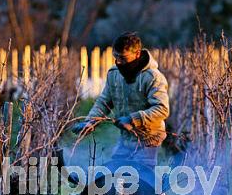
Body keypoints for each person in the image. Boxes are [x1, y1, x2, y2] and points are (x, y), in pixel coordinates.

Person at [71, 32, 169, 170]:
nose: (118, 62)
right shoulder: (114, 74)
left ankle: (158, 192)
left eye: (123, 58)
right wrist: (90, 121)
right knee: (116, 170)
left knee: (143, 177)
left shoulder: (153, 77)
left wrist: (131, 119)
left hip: (149, 138)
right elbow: (104, 101)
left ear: (137, 54)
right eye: (115, 57)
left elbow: (162, 109)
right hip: (126, 137)